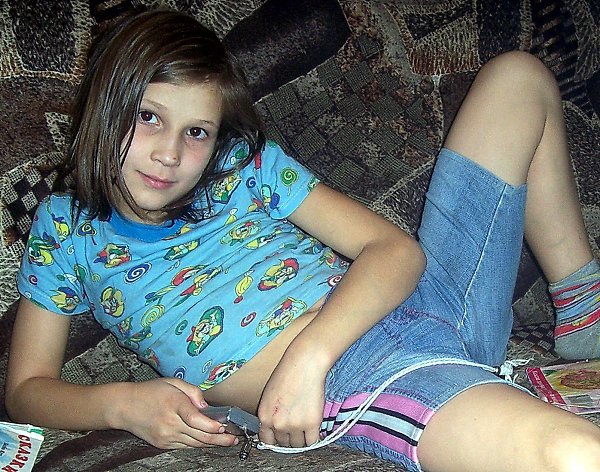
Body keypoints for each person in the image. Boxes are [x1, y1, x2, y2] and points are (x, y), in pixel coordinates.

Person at [5, 8, 600, 472]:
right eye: (149, 117)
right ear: (105, 107)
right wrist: (122, 404)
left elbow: (395, 251)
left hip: (417, 303)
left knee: (518, 76)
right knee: (570, 453)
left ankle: (584, 306)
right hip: (368, 375)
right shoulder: (65, 230)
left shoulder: (243, 166)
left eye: (197, 131)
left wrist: (306, 357)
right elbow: (27, 391)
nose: (169, 153)